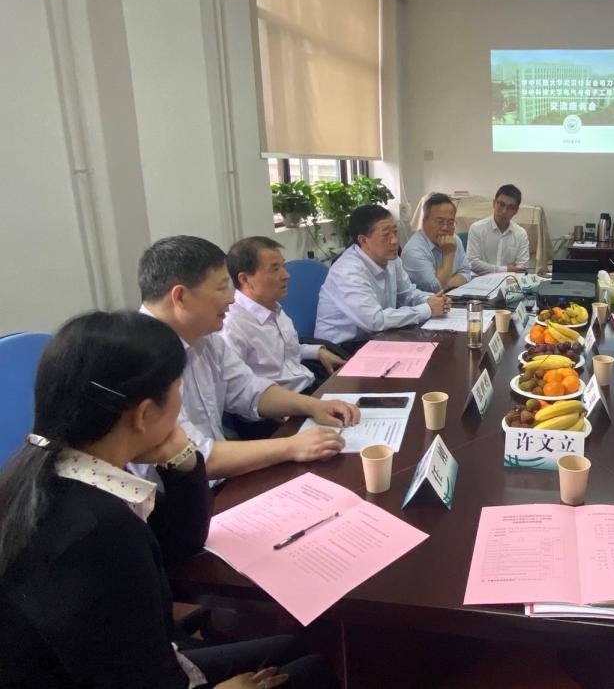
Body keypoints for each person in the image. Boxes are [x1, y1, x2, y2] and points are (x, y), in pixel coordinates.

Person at [0, 311, 340, 688]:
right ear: (144, 414)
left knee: (289, 648)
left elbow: (181, 544)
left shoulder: (49, 470)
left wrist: (182, 460)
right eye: (179, 389)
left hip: (139, 660)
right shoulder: (98, 532)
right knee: (313, 672)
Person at [138, 236, 360, 481]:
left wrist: (314, 406)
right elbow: (192, 456)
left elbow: (249, 389)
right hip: (179, 495)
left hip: (221, 475)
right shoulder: (140, 359)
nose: (232, 298)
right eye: (221, 288)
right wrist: (291, 446)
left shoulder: (204, 337)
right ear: (180, 297)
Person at [223, 236, 345, 393]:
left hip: (308, 385)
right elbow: (237, 390)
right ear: (245, 279)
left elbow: (284, 352)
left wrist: (318, 352)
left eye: (283, 266)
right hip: (282, 403)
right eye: (275, 269)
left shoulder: (272, 306)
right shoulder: (232, 325)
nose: (286, 275)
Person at [315, 204, 450, 346]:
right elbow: (374, 321)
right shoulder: (348, 271)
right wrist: (427, 309)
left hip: (379, 336)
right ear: (364, 241)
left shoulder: (391, 258)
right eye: (386, 235)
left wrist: (431, 300)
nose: (395, 241)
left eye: (395, 232)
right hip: (342, 348)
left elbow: (407, 293)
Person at [401, 193, 473, 291]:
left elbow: (466, 272)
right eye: (440, 222)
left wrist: (445, 283)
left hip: (453, 295)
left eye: (450, 223)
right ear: (424, 222)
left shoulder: (455, 239)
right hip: (427, 300)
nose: (445, 228)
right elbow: (435, 288)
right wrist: (448, 254)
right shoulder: (413, 250)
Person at [467, 184, 530, 275]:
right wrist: (506, 269)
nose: (504, 211)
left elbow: (522, 268)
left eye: (510, 207)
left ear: (516, 210)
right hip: (481, 280)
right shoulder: (477, 228)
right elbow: (472, 263)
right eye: (501, 204)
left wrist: (505, 271)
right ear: (494, 203)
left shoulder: (521, 233)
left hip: (509, 281)